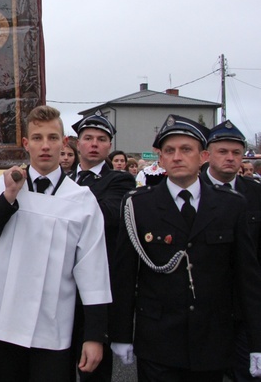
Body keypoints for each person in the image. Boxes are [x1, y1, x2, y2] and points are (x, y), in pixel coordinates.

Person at [0, 105, 111, 381]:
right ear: (26, 143)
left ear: (64, 143)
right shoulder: (3, 187)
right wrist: (8, 198)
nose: (45, 146)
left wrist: (94, 336)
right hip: (4, 321)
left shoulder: (81, 200)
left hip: (52, 325)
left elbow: (94, 273)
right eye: (38, 138)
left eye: (53, 138)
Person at [110, 115, 261, 381]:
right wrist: (122, 334)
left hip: (212, 339)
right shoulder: (138, 205)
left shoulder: (231, 205)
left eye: (186, 149)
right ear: (161, 158)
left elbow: (247, 277)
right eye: (170, 151)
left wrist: (256, 341)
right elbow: (124, 276)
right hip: (158, 340)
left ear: (203, 156)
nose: (177, 157)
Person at [69, 115, 135, 382]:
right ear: (78, 144)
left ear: (109, 146)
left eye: (102, 140)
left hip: (97, 286)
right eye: (88, 138)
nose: (94, 144)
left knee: (93, 370)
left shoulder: (120, 181)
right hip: (61, 284)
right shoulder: (62, 178)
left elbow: (107, 215)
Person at [199, 120, 261, 382]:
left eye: (236, 153)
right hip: (204, 306)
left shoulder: (255, 193)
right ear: (208, 154)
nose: (230, 158)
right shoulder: (192, 191)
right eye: (223, 152)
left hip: (245, 305)